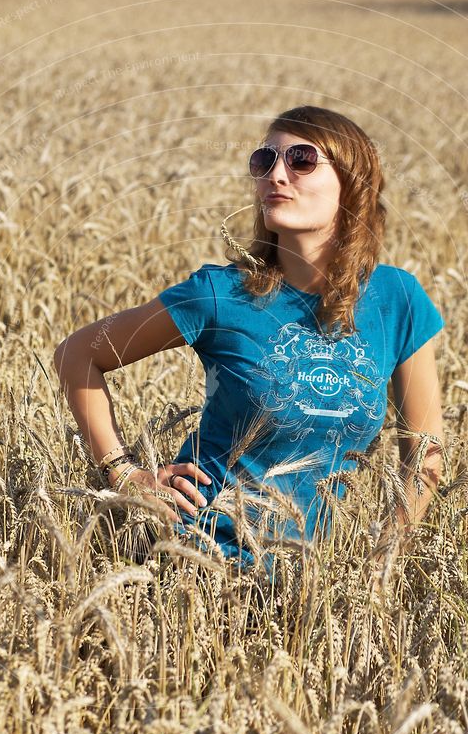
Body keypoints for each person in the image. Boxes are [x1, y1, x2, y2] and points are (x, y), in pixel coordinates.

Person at [53, 105, 445, 581]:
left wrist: (377, 567)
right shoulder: (219, 294)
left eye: (301, 160)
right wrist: (124, 473)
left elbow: (424, 454)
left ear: (353, 184)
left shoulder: (398, 300)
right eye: (264, 161)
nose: (276, 174)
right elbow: (79, 353)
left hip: (316, 587)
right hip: (197, 572)